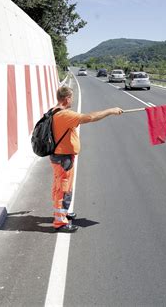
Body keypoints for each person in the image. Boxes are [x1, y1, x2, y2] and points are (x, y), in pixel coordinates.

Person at [50, 86, 123, 232]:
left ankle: (63, 213)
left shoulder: (54, 111)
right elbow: (89, 117)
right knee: (63, 189)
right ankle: (60, 222)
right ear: (67, 98)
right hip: (63, 158)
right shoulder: (64, 115)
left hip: (60, 156)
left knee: (61, 186)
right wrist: (111, 111)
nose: (73, 100)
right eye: (71, 97)